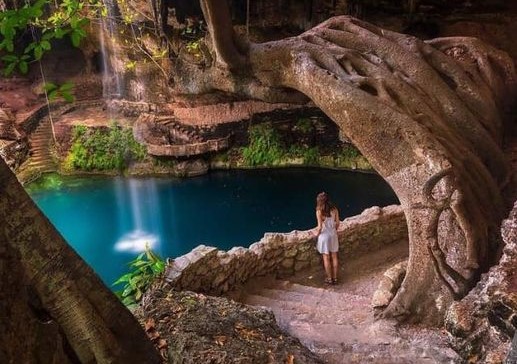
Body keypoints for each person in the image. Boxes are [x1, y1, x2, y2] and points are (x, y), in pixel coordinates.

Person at [314, 192, 340, 285]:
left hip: (324, 236)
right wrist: (334, 231)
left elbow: (320, 227)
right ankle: (335, 278)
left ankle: (329, 279)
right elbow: (337, 223)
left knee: (326, 257)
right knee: (334, 256)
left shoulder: (319, 211)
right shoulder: (335, 209)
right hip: (333, 235)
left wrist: (317, 235)